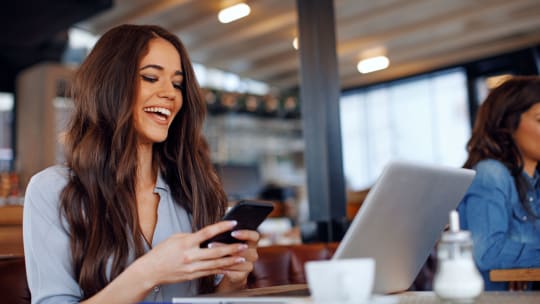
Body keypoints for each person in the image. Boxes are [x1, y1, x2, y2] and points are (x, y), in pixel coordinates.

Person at [23, 24, 260, 303]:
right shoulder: (52, 190)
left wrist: (234, 281)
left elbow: (210, 299)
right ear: (108, 85)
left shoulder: (195, 189)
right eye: (150, 77)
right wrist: (150, 271)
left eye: (177, 84)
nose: (170, 94)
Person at [457, 75, 540, 290]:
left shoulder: (533, 180)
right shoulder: (490, 173)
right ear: (508, 124)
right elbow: (487, 252)